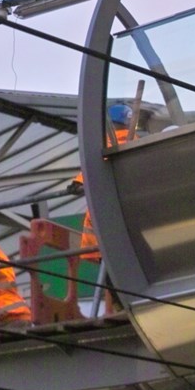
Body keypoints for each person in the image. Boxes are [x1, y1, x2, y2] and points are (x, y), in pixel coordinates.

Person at [67, 103, 133, 308]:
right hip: (126, 218)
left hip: (108, 224)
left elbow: (93, 166)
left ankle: (121, 306)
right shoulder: (133, 142)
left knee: (113, 277)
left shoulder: (108, 142)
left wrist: (78, 183)